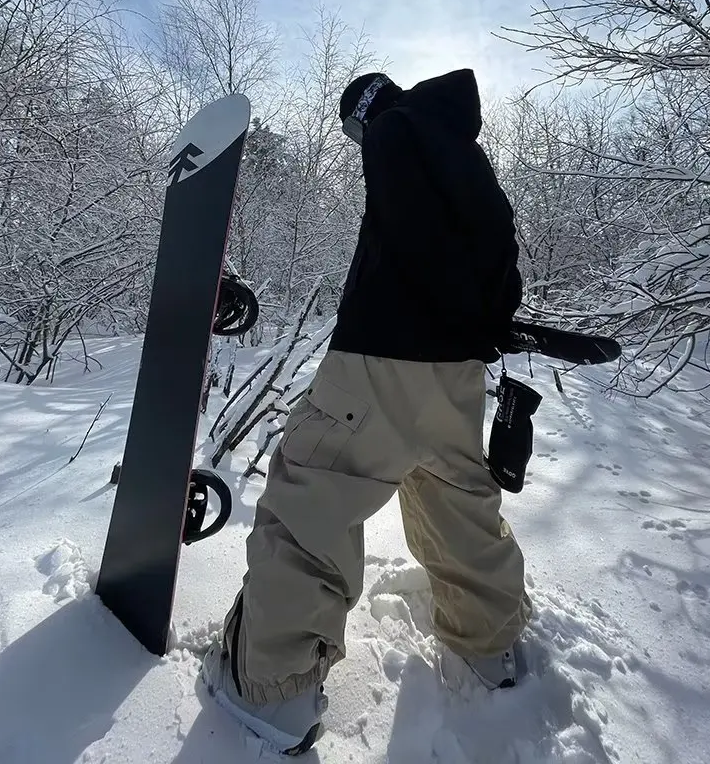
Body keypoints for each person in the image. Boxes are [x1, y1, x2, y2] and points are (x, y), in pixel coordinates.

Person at [202, 68, 532, 756]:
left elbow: (411, 235)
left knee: (312, 499)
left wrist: (404, 310)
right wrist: (482, 323)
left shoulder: (396, 128)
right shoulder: (459, 149)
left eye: (352, 125)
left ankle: (274, 690)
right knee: (456, 501)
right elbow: (496, 246)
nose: (355, 139)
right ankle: (489, 646)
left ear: (364, 108)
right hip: (457, 373)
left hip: (381, 359)